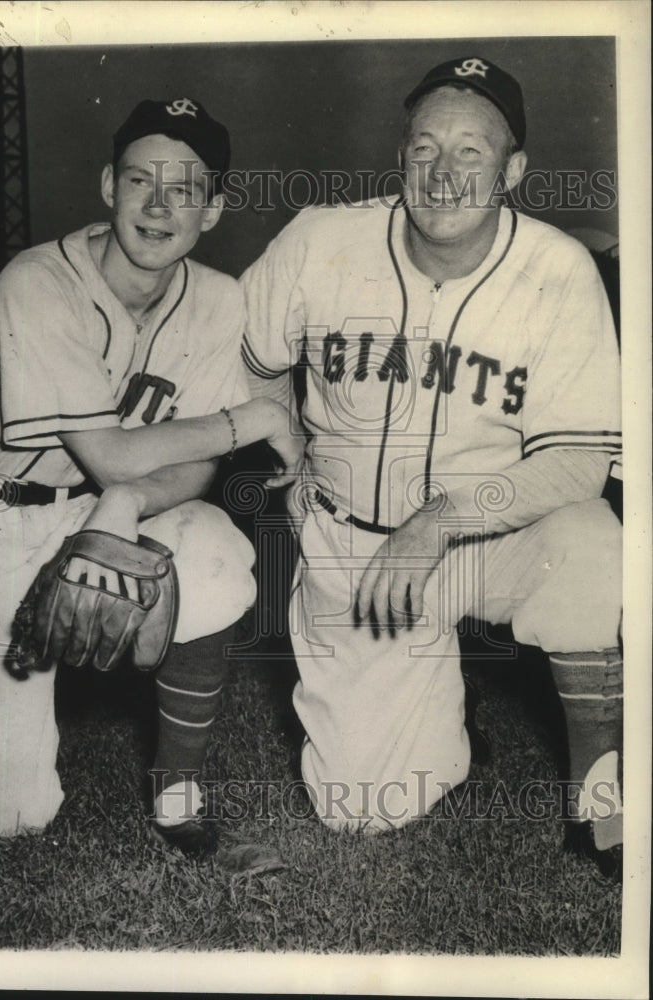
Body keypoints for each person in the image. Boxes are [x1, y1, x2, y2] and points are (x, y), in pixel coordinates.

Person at [240, 57, 623, 879]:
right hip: (351, 549)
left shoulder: (558, 271)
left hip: (484, 538)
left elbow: (580, 462)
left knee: (592, 543)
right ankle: (445, 720)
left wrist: (441, 517)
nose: (443, 175)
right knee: (358, 812)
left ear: (513, 170)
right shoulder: (321, 240)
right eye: (424, 148)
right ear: (401, 154)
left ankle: (600, 794)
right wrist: (280, 430)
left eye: (471, 153)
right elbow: (241, 351)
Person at [0, 97, 302, 864]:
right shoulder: (38, 280)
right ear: (107, 187)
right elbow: (114, 453)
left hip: (93, 509)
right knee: (5, 820)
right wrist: (251, 419)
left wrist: (126, 505)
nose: (158, 206)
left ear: (213, 208)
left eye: (184, 188)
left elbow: (179, 469)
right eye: (138, 181)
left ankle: (177, 798)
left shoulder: (218, 300)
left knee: (213, 551)